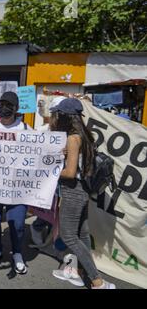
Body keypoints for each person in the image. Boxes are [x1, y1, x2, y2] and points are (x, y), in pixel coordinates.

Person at [49, 98, 116, 289]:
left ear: (65, 117)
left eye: (57, 114)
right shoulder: (84, 135)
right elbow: (79, 165)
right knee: (82, 233)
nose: (54, 117)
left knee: (69, 235)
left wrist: (49, 173)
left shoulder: (72, 138)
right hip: (83, 191)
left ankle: (97, 281)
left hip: (73, 191)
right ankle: (76, 272)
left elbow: (70, 173)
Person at [0, 91, 31, 274]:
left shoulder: (26, 130)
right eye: (1, 104)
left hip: (17, 189)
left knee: (17, 223)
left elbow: (40, 153)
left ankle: (17, 253)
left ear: (16, 109)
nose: (3, 108)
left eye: (8, 105)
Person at [30, 96, 67, 246]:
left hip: (63, 179)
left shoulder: (69, 133)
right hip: (47, 179)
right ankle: (37, 227)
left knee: (58, 211)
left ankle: (52, 237)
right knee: (47, 209)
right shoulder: (42, 131)